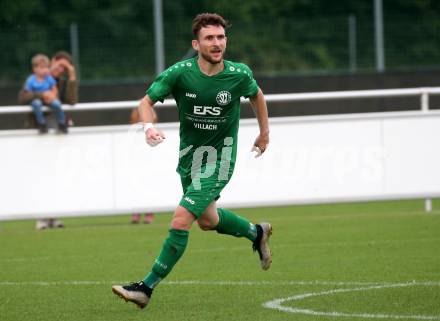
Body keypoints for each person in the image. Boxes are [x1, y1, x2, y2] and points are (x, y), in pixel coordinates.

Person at [112, 13, 271, 310]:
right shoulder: (180, 73)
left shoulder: (238, 74)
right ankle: (256, 232)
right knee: (208, 221)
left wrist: (264, 132)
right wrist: (148, 128)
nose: (217, 43)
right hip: (190, 160)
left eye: (221, 37)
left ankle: (146, 287)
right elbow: (145, 102)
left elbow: (257, 95)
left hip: (220, 159)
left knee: (181, 219)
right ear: (196, 44)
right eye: (210, 38)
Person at [19, 51, 78, 230]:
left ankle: (54, 215)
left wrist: (72, 75)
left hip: (56, 134)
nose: (60, 69)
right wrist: (42, 96)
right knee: (39, 174)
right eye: (59, 65)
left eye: (64, 68)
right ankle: (41, 216)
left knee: (56, 174)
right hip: (39, 131)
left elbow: (72, 100)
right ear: (51, 62)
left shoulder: (60, 83)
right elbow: (23, 97)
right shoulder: (35, 77)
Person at [22, 54, 68, 134]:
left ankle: (62, 123)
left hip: (49, 99)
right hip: (37, 99)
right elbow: (27, 93)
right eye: (42, 68)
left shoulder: (48, 78)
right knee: (36, 104)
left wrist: (53, 97)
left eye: (47, 67)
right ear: (34, 69)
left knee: (57, 104)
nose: (45, 70)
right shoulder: (31, 80)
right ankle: (42, 123)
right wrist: (41, 95)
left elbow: (54, 88)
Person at [129, 108, 156, 224]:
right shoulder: (132, 132)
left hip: (149, 165)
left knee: (149, 186)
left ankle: (149, 214)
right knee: (135, 187)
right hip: (135, 165)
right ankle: (136, 213)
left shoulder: (154, 131)